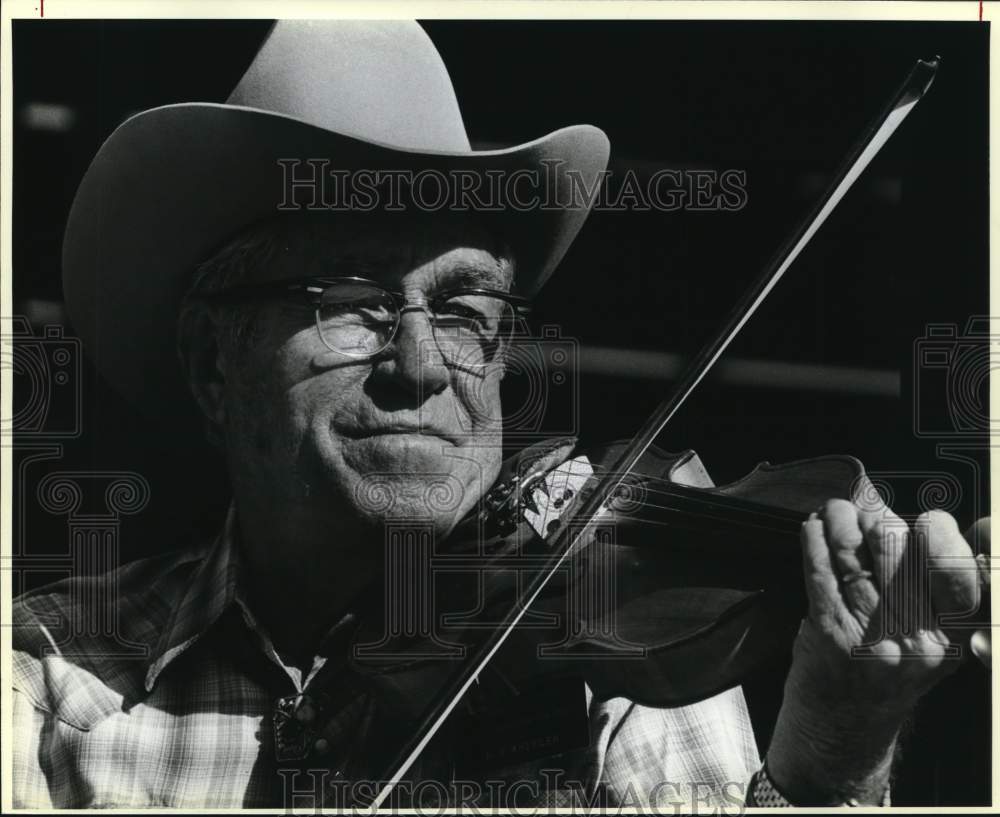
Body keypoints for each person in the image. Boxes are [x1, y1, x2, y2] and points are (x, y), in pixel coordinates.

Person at [11, 20, 989, 810]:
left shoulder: (613, 670)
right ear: (213, 364)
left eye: (464, 310)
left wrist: (828, 762)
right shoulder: (52, 683)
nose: (422, 363)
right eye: (348, 303)